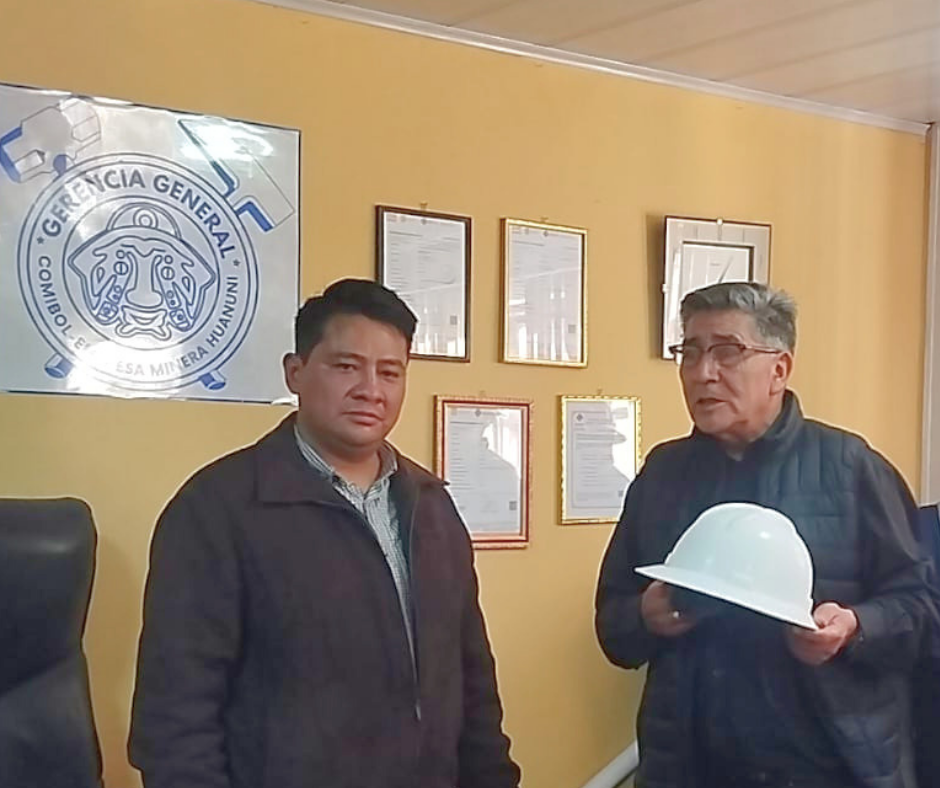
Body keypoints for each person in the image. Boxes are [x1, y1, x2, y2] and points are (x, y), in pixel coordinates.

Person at [129, 278, 521, 788]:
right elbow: (175, 718)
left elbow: (473, 682)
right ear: (295, 372)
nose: (370, 390)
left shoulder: (431, 507)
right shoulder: (218, 509)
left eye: (390, 372)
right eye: (346, 367)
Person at [595, 282, 939, 788]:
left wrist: (854, 627)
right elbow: (613, 622)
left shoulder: (851, 468)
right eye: (690, 352)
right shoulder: (662, 475)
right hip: (690, 767)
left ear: (779, 369)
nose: (702, 372)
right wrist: (643, 616)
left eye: (726, 351)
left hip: (830, 764)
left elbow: (922, 609)